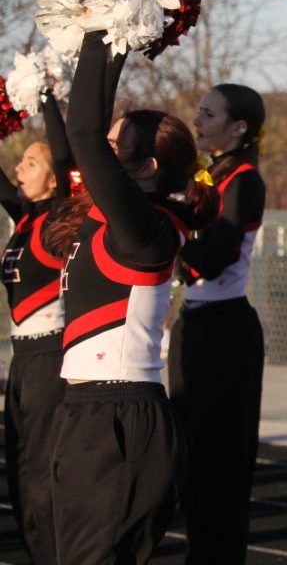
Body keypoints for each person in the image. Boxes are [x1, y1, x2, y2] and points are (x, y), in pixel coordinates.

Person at [44, 30, 219, 565]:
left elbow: (83, 132)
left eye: (113, 151)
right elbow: (77, 138)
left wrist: (107, 28)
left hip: (120, 417)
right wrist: (113, 38)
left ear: (145, 169)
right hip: (84, 411)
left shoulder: (145, 230)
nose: (94, 159)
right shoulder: (102, 220)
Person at [169, 84, 267, 564]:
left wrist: (161, 224)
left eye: (208, 114)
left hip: (226, 331)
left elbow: (211, 258)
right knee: (188, 464)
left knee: (221, 469)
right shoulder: (209, 174)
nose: (198, 120)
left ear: (239, 127)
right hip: (193, 323)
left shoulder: (244, 179)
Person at [1, 92, 71, 565]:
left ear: (53, 177)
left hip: (49, 354)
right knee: (20, 470)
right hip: (21, 359)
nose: (20, 169)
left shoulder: (59, 219)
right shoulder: (25, 218)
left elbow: (65, 156)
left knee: (43, 474)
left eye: (30, 162)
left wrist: (47, 96)